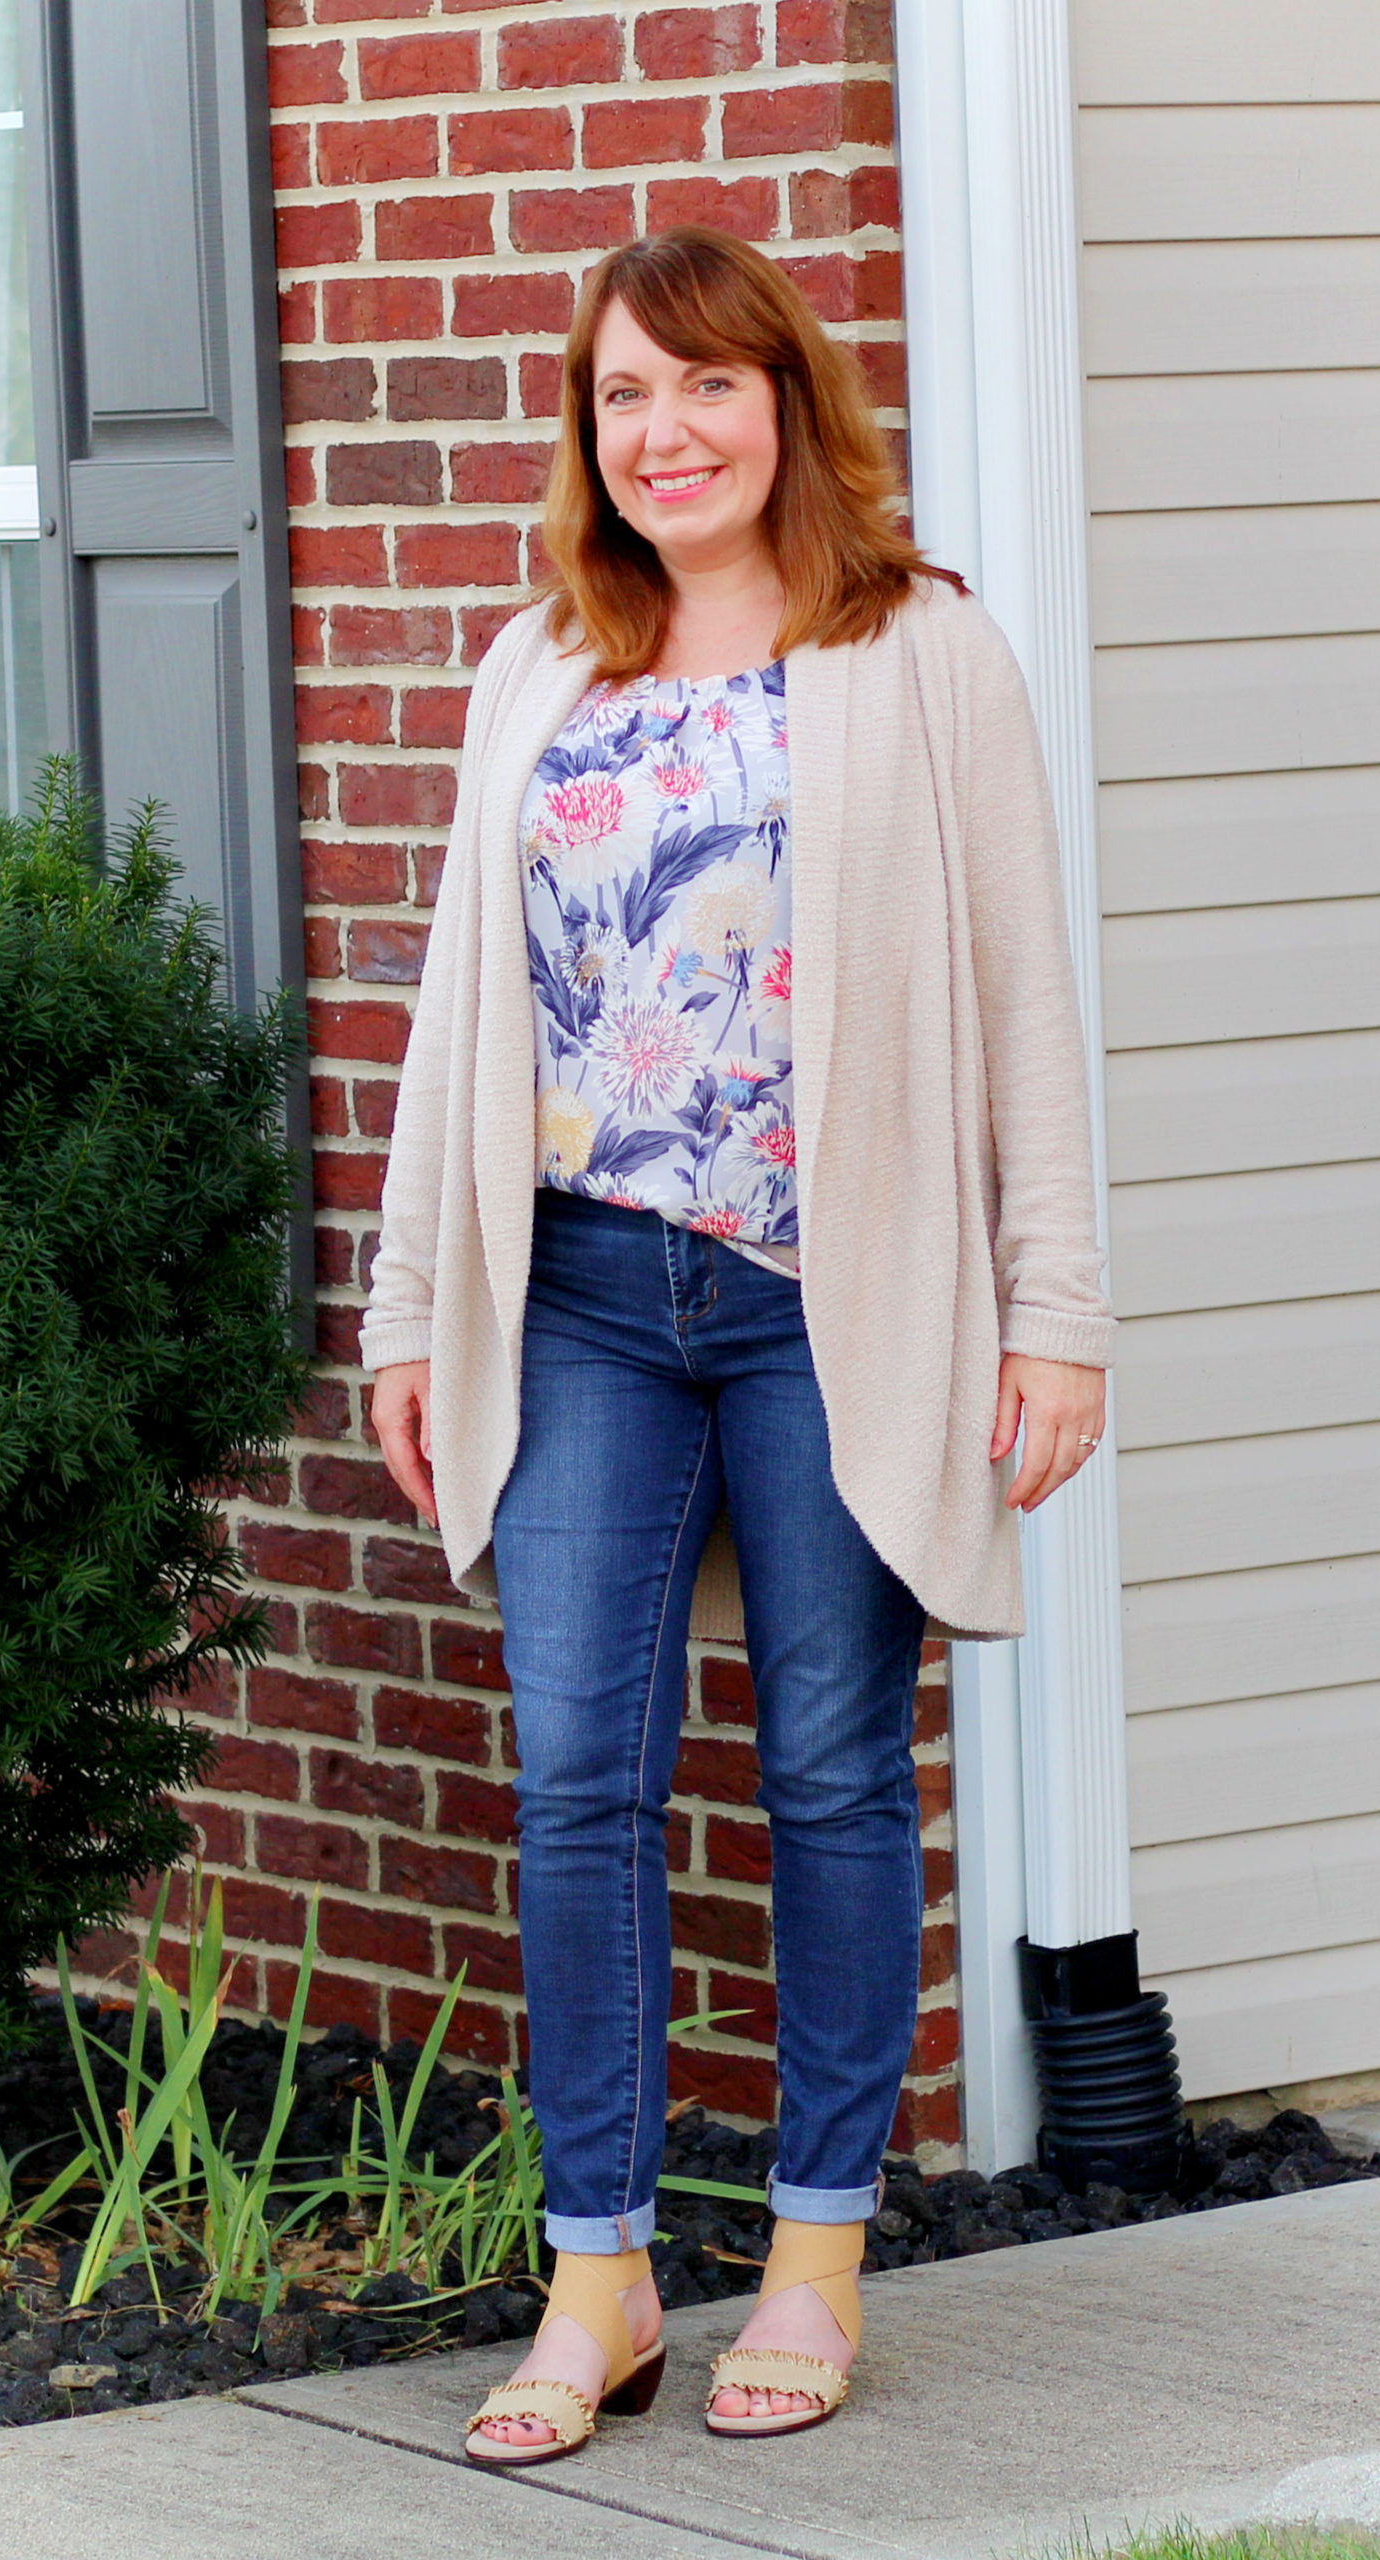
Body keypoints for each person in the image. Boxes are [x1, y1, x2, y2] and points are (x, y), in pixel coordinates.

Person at [361, 226, 1114, 2465]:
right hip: (579, 1295)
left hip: (824, 1299)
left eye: (701, 387)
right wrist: (415, 1302)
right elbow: (447, 1018)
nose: (661, 433)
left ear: (783, 400)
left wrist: (1054, 1307)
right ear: (583, 436)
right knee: (576, 1775)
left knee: (824, 1771)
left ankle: (807, 2251)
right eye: (618, 398)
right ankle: (596, 2268)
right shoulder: (537, 664)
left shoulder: (917, 649)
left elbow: (1019, 1004)